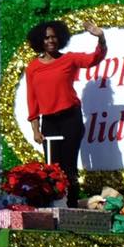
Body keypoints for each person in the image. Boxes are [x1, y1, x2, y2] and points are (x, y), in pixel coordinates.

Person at [26, 19, 106, 207]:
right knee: (52, 167)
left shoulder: (69, 59)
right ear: (40, 41)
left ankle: (70, 205)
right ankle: (54, 205)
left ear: (60, 38)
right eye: (46, 38)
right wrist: (35, 130)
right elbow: (32, 100)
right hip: (49, 121)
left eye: (54, 37)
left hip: (70, 117)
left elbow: (95, 58)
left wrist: (100, 37)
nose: (50, 41)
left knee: (69, 166)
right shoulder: (32, 68)